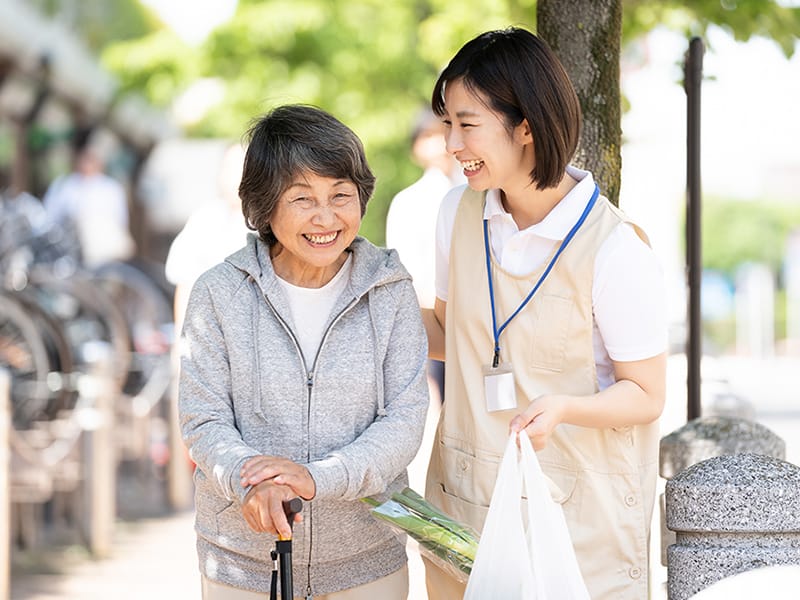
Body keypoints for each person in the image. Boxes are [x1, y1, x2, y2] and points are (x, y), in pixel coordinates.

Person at [421, 28, 667, 600]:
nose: (452, 144)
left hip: (573, 518)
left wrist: (565, 409)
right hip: (466, 502)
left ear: (526, 125)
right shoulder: (457, 212)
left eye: (467, 124)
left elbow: (646, 393)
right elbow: (447, 333)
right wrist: (346, 297)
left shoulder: (615, 248)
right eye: (447, 125)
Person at [178, 104, 429, 600]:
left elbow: (404, 419)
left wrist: (315, 479)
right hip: (242, 562)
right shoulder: (218, 294)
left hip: (366, 559)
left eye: (341, 195)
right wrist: (251, 482)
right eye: (303, 199)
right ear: (265, 206)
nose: (326, 217)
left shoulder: (390, 289)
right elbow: (203, 419)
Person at [385, 109, 464, 404]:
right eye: (428, 135)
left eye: (442, 132)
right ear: (416, 147)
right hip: (431, 316)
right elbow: (405, 265)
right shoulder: (409, 200)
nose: (439, 143)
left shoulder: (475, 192)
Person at [164, 141, 249, 332]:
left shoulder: (273, 223)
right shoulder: (206, 218)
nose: (235, 176)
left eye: (242, 167)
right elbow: (185, 283)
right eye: (229, 167)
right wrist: (181, 341)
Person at [43, 144, 135, 268]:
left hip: (107, 250)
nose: (87, 165)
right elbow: (52, 216)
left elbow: (121, 219)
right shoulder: (65, 186)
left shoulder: (111, 188)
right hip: (72, 249)